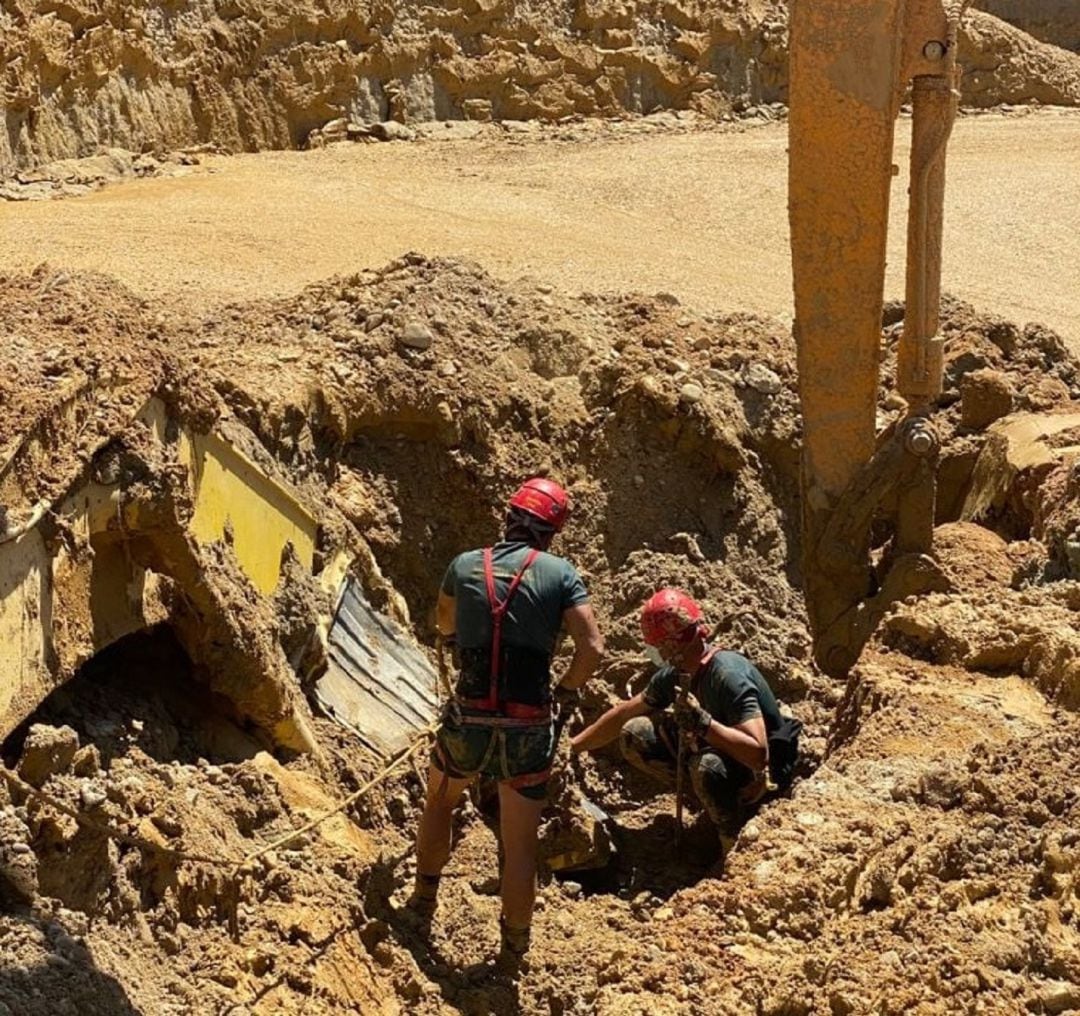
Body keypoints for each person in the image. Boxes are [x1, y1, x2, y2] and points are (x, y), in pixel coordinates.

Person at [411, 477, 604, 964]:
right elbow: (593, 647)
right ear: (552, 532)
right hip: (528, 726)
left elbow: (443, 624)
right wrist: (567, 690)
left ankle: (422, 900)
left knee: (439, 804)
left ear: (509, 516)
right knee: (519, 846)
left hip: (469, 717)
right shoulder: (561, 575)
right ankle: (513, 950)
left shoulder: (465, 565)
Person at [571, 588, 799, 853]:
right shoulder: (676, 674)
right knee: (637, 735)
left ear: (672, 644)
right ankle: (710, 803)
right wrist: (574, 746)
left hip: (761, 774)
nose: (655, 652)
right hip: (720, 754)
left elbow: (758, 753)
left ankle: (733, 842)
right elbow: (624, 714)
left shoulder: (728, 675)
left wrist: (703, 723)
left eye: (657, 646)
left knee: (707, 767)